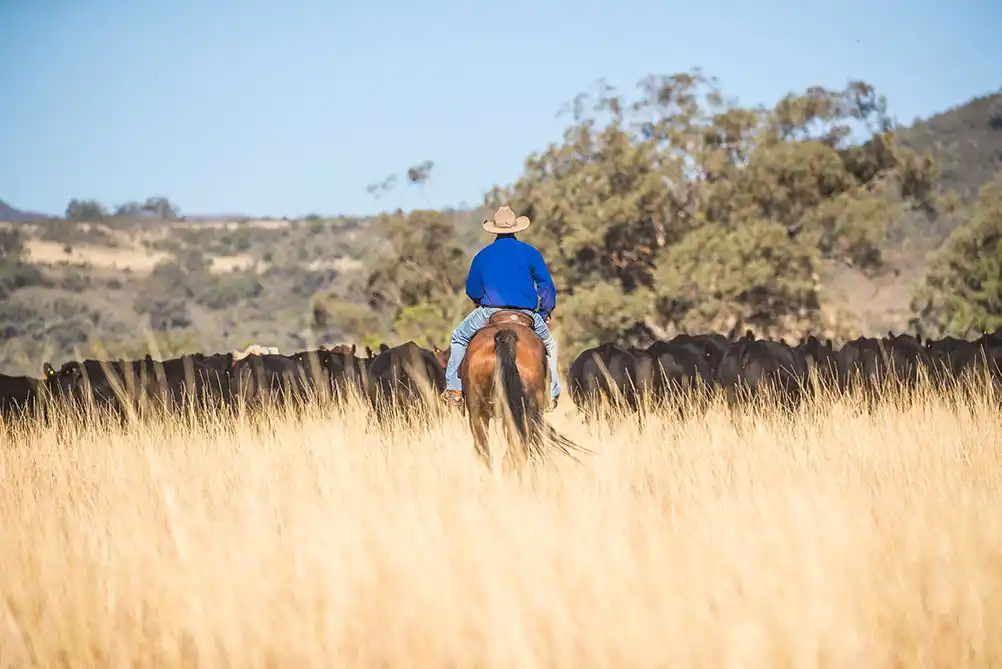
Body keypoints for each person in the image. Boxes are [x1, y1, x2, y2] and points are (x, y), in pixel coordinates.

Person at [442, 205, 561, 410]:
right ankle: (552, 393)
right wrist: (544, 311)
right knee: (550, 345)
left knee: (459, 337)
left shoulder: (483, 255)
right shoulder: (530, 252)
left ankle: (454, 388)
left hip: (489, 312)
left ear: (494, 230)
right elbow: (546, 286)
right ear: (516, 228)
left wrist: (481, 300)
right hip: (526, 314)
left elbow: (472, 289)